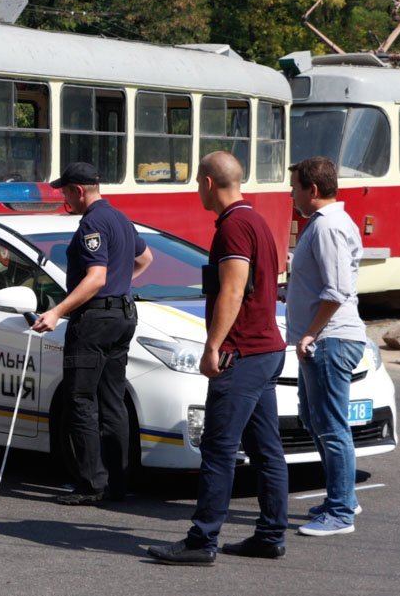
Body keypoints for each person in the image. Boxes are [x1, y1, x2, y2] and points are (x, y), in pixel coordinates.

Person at [147, 151, 288, 565]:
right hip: (266, 349)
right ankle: (270, 535)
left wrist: (212, 347)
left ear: (208, 182)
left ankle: (202, 540)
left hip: (241, 353)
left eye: (197, 182)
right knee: (266, 449)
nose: (197, 190)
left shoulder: (234, 227)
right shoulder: (256, 220)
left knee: (219, 448)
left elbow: (232, 289)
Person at [32, 162, 153, 505]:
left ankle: (91, 484)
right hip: (123, 315)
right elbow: (145, 258)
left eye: (66, 192)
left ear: (79, 190)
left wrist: (57, 311)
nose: (64, 198)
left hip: (94, 321)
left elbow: (96, 277)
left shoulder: (92, 223)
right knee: (112, 400)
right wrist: (119, 283)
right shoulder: (120, 218)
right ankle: (118, 482)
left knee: (81, 400)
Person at [287, 156, 368, 537]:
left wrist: (310, 333)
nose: (292, 196)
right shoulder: (325, 223)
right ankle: (342, 495)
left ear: (313, 189)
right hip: (325, 337)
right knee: (315, 420)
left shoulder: (328, 226)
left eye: (295, 188)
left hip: (330, 338)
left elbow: (336, 291)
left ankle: (340, 511)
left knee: (331, 426)